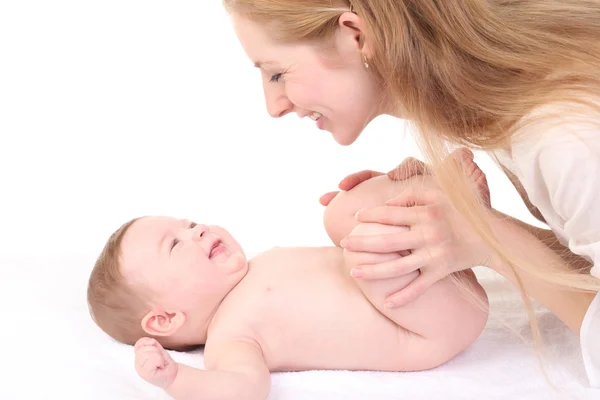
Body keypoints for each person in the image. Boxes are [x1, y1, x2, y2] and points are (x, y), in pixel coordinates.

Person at [222, 0, 600, 387]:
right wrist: (467, 223)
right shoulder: (518, 99)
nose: (274, 106)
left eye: (276, 73)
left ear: (356, 35)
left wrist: (487, 238)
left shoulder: (565, 135)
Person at [86, 173, 489, 399]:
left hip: (438, 272)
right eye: (175, 244)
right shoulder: (230, 337)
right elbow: (244, 389)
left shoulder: (262, 265)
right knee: (358, 238)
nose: (198, 230)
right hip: (428, 325)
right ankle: (448, 203)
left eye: (189, 223)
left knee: (341, 212)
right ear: (165, 319)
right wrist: (175, 379)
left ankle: (444, 199)